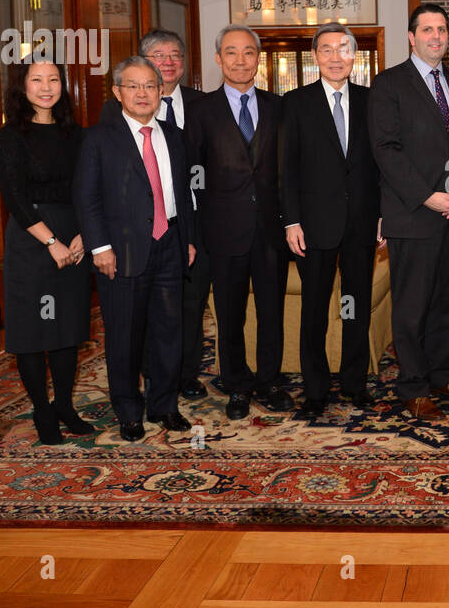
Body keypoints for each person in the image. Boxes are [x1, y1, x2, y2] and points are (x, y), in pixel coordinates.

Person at [74, 55, 197, 441]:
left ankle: (165, 405)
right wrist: (100, 247)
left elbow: (183, 192)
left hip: (170, 244)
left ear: (162, 91)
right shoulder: (98, 138)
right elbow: (86, 197)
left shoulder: (174, 136)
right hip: (120, 251)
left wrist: (188, 239)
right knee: (125, 334)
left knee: (169, 331)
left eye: (150, 86)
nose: (143, 93)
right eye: (133, 86)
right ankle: (128, 410)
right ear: (117, 92)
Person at [368, 3, 449, 421]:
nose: (436, 36)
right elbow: (386, 150)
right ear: (411, 37)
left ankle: (441, 375)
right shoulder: (389, 84)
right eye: (427, 29)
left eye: (443, 30)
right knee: (412, 305)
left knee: (447, 301)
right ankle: (412, 386)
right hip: (413, 214)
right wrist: (427, 196)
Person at [184, 25, 293, 420]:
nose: (241, 61)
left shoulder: (280, 107)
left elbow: (289, 172)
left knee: (271, 313)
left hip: (270, 231)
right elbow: (191, 176)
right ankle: (236, 385)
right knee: (230, 316)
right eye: (232, 53)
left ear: (258, 59)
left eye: (249, 53)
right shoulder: (199, 112)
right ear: (218, 59)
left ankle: (268, 381)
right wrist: (195, 234)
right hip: (222, 232)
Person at [101, 29, 209, 401]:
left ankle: (181, 379)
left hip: (186, 228)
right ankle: (138, 389)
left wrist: (192, 234)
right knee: (135, 319)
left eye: (175, 54)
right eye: (158, 55)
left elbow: (195, 176)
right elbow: (98, 187)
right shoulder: (109, 120)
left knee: (184, 310)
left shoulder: (201, 105)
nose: (168, 62)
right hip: (133, 236)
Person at [282, 25, 382, 419]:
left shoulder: (371, 101)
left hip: (361, 223)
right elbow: (286, 169)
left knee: (354, 305)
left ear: (354, 56)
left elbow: (379, 166)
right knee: (315, 310)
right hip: (313, 226)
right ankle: (316, 389)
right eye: (326, 50)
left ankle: (355, 383)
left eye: (343, 49)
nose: (335, 56)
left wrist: (381, 214)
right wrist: (291, 221)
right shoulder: (295, 103)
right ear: (315, 57)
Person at [0, 57, 94, 444]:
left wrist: (84, 233)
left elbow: (88, 187)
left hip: (75, 236)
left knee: (67, 328)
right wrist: (52, 242)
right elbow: (15, 198)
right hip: (32, 239)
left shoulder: (76, 134)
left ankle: (65, 405)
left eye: (54, 79)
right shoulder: (11, 135)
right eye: (37, 79)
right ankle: (41, 409)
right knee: (34, 330)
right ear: (23, 86)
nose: (46, 86)